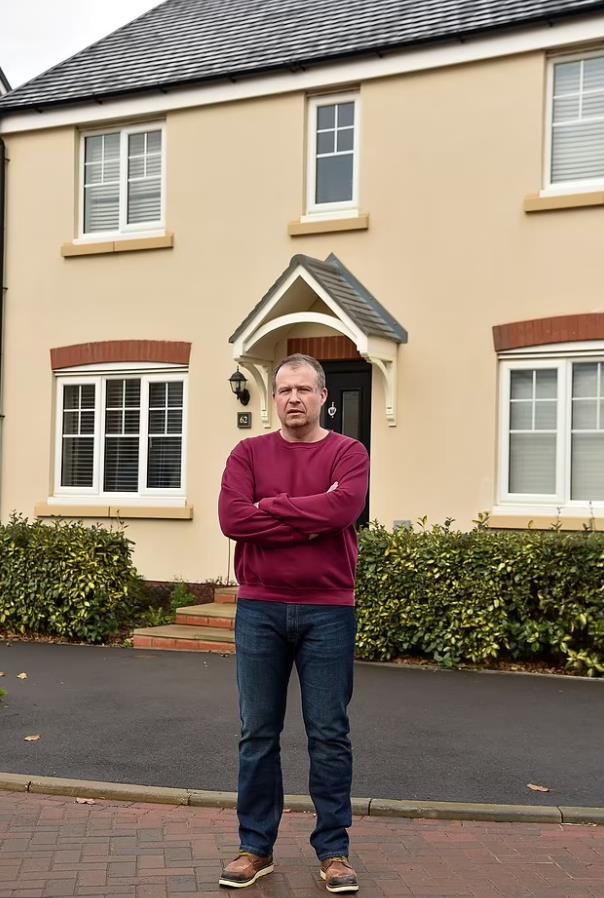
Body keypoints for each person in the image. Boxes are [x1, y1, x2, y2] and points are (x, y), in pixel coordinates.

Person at [217, 353, 369, 893]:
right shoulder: (247, 453)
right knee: (257, 732)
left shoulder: (348, 452)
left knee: (328, 733)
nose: (294, 399)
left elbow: (343, 510)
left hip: (329, 609)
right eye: (284, 390)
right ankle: (255, 847)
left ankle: (334, 851)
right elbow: (233, 519)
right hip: (260, 608)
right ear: (274, 397)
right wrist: (309, 515)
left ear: (323, 396)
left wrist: (271, 507)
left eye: (304, 389)